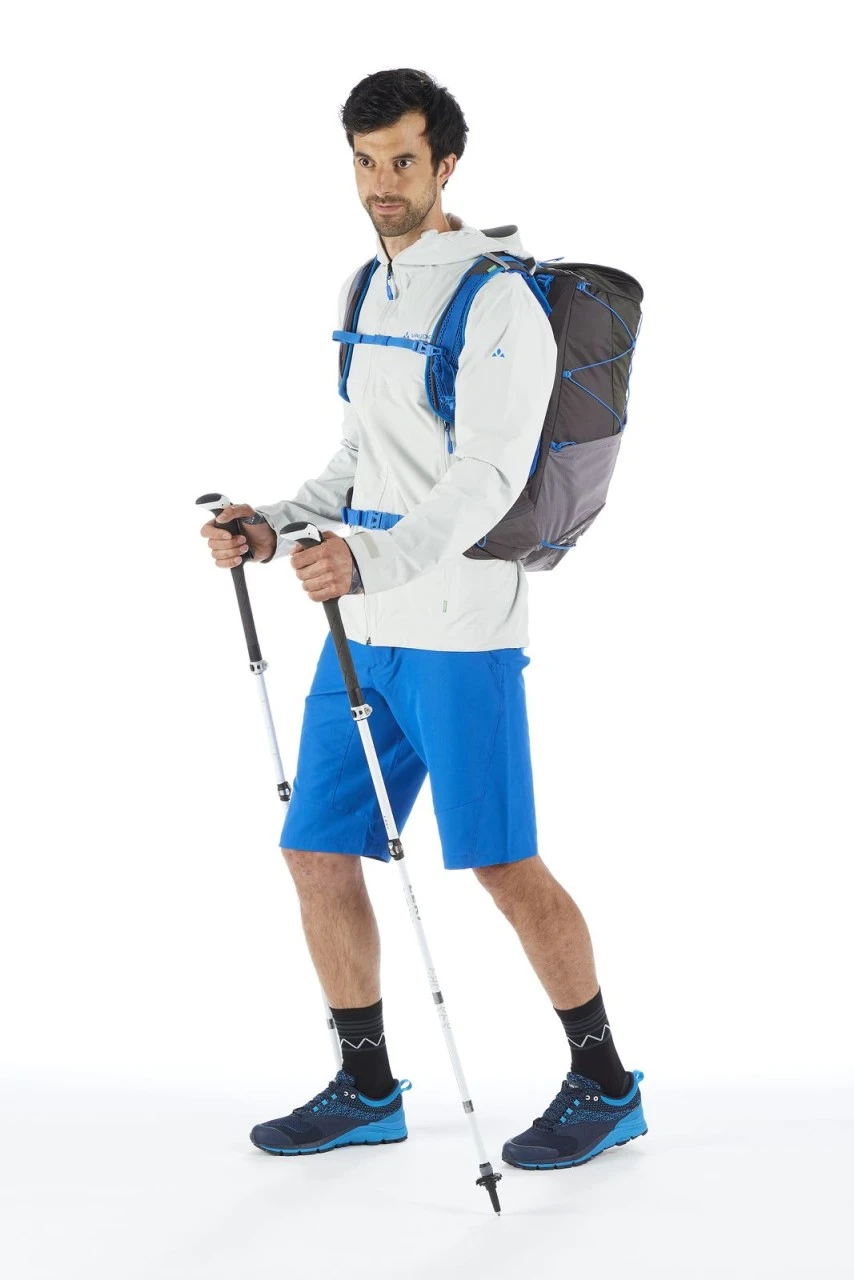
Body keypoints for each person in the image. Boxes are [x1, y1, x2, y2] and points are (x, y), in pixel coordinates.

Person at [200, 68, 646, 1170]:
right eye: (364, 161)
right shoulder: (367, 285)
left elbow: (485, 476)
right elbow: (363, 454)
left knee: (502, 864)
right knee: (316, 850)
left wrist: (366, 557)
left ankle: (604, 1084)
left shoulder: (497, 301)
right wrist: (275, 525)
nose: (381, 184)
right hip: (363, 627)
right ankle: (366, 1088)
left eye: (402, 160)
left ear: (446, 164)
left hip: (460, 630)